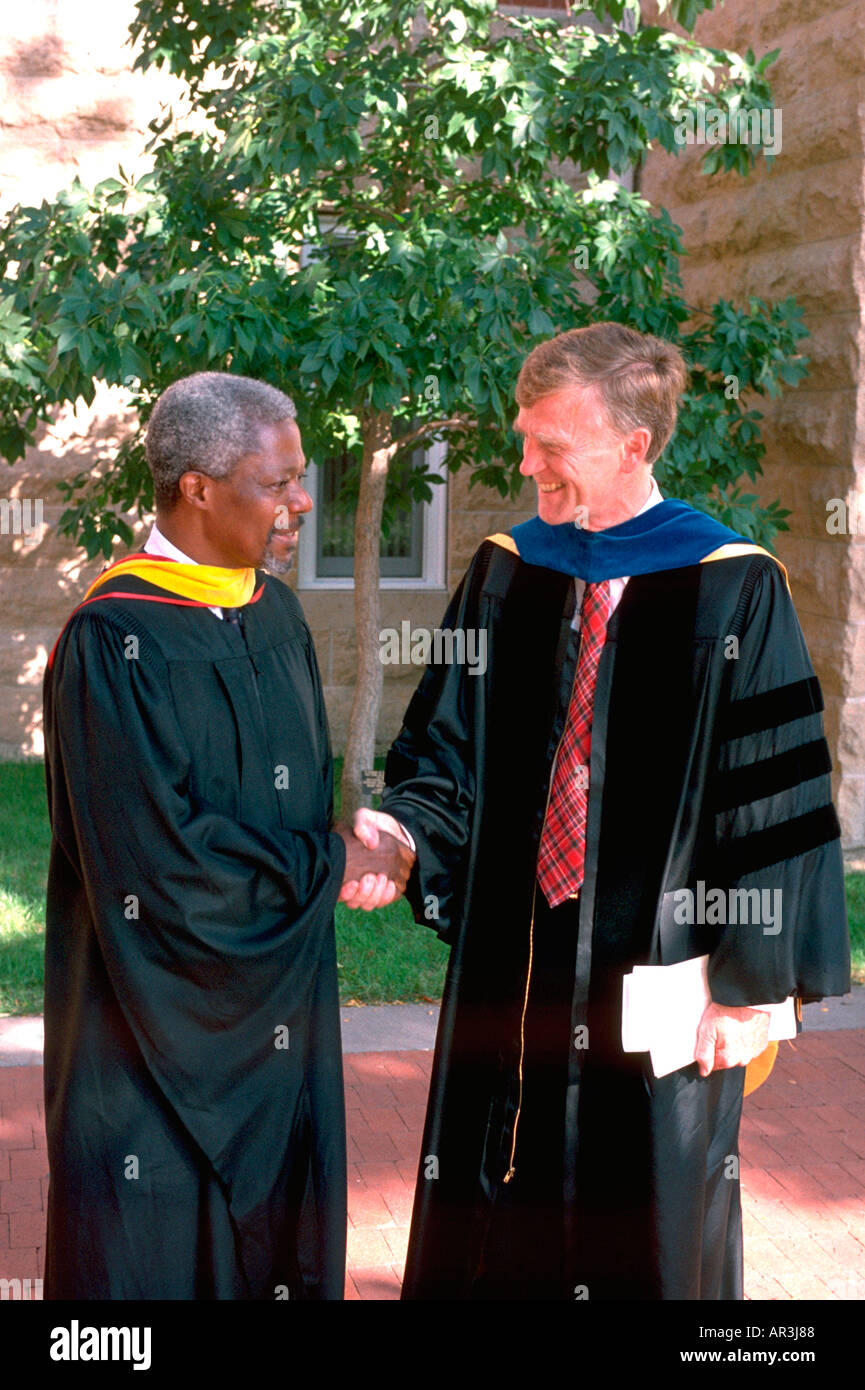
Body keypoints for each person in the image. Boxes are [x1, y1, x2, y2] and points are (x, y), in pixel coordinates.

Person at [351, 322, 851, 1300]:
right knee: (495, 1188)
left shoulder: (734, 583)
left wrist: (749, 986)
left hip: (669, 968)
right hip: (518, 947)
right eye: (523, 436)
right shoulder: (506, 570)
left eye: (551, 445)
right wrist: (406, 832)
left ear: (634, 444)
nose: (525, 462)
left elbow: (778, 794)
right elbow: (442, 742)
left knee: (655, 1212)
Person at [42, 371, 413, 1300]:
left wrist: (342, 837)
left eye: (302, 478)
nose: (301, 504)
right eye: (279, 481)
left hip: (278, 1008)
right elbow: (158, 866)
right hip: (149, 1021)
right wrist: (328, 865)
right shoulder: (112, 638)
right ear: (197, 488)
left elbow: (278, 811)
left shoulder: (273, 610)